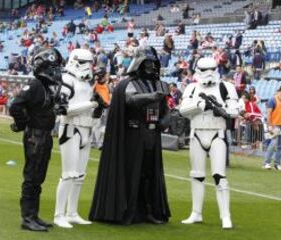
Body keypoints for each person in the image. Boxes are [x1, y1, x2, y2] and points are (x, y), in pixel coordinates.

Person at [89, 46, 171, 225]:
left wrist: (166, 119)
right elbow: (131, 99)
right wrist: (152, 96)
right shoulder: (128, 84)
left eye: (154, 63)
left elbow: (166, 108)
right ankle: (129, 210)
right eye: (148, 63)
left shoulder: (160, 84)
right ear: (140, 63)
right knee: (132, 172)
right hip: (133, 134)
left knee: (149, 173)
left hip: (152, 133)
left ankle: (148, 210)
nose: (152, 66)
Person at [179, 57, 242, 229]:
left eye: (212, 69)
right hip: (197, 133)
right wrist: (199, 106)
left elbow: (236, 110)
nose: (209, 73)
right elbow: (182, 109)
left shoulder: (225, 87)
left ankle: (225, 216)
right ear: (198, 70)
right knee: (196, 175)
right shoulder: (192, 88)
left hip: (217, 133)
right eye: (205, 70)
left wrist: (221, 109)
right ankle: (196, 212)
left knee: (219, 176)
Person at [9, 48, 64, 232]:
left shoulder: (45, 87)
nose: (57, 72)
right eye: (53, 68)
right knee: (32, 177)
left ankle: (33, 215)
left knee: (38, 177)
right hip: (35, 136)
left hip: (43, 136)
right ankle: (27, 218)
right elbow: (15, 105)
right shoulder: (34, 85)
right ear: (45, 68)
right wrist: (22, 124)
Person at [54, 49, 104, 228]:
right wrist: (91, 104)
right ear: (75, 62)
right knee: (68, 174)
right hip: (70, 128)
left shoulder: (86, 84)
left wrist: (97, 109)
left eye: (90, 63)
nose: (89, 67)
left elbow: (90, 111)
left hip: (86, 129)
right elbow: (62, 109)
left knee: (80, 175)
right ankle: (59, 214)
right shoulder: (67, 80)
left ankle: (72, 212)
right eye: (86, 63)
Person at [263, 84, 281, 171]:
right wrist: (269, 125)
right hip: (275, 124)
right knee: (273, 143)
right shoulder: (272, 99)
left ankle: (277, 163)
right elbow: (269, 113)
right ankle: (266, 163)